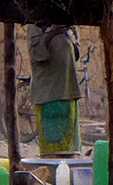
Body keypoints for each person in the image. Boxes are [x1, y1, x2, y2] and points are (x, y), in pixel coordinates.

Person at [26, 23, 82, 155]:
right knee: (52, 150)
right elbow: (36, 54)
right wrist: (51, 33)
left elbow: (76, 54)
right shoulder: (37, 23)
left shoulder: (68, 23)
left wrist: (69, 35)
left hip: (69, 93)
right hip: (48, 95)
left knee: (70, 151)